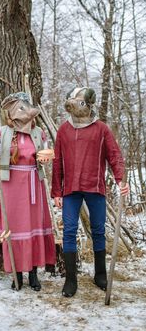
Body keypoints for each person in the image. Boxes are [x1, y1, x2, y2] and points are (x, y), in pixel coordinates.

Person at [51, 87, 129, 298]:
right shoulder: (63, 130)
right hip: (70, 190)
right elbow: (57, 161)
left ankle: (100, 275)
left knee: (98, 230)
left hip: (95, 186)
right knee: (68, 231)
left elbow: (114, 155)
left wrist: (121, 178)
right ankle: (70, 279)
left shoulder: (101, 129)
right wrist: (56, 191)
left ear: (88, 104)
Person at [0, 92, 56, 291]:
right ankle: (16, 273)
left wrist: (45, 159)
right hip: (11, 185)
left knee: (33, 225)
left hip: (33, 183)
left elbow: (45, 154)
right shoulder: (3, 132)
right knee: (14, 227)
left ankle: (33, 273)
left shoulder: (38, 132)